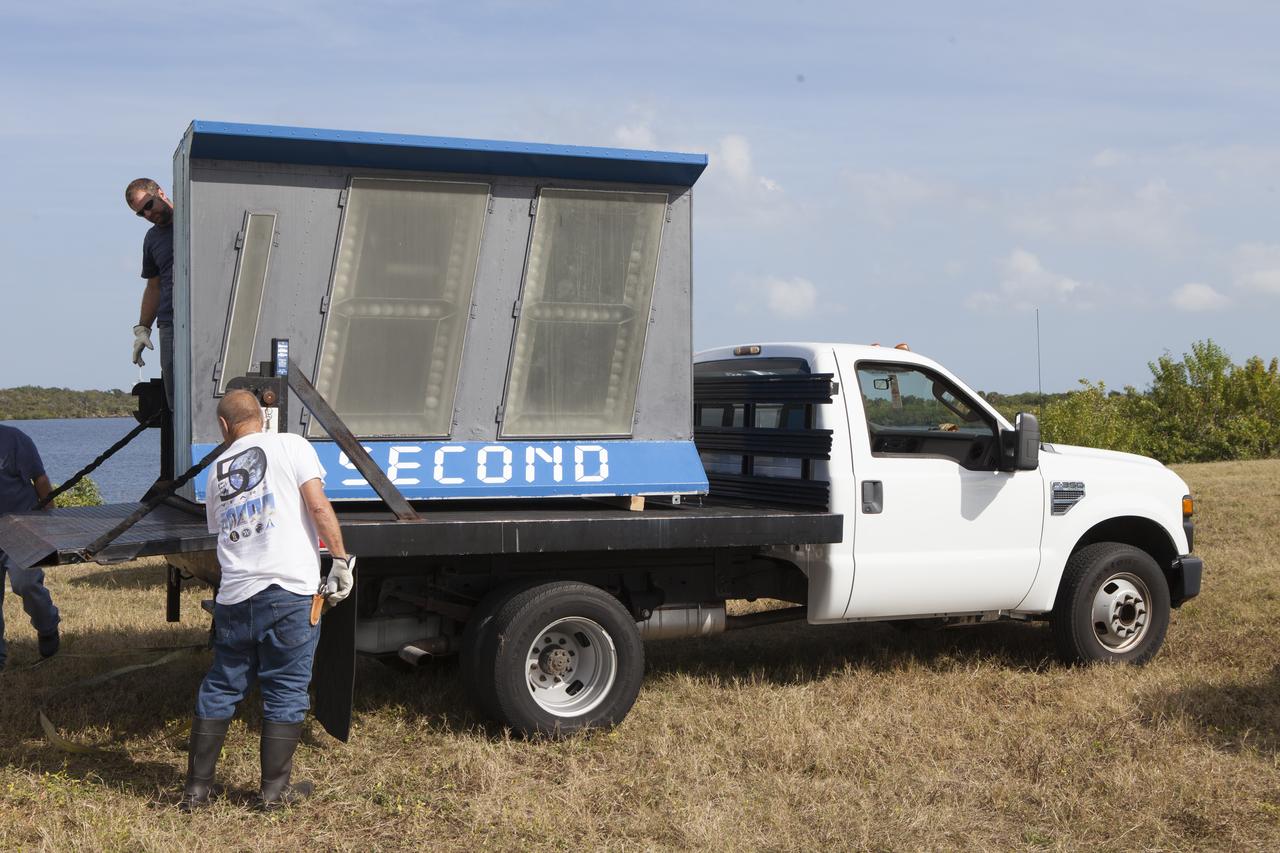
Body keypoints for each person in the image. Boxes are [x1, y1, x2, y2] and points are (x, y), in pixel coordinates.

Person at [181, 390, 355, 812]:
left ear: (224, 427)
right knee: (286, 689)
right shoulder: (292, 445)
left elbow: (220, 530)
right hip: (290, 592)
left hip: (236, 595)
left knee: (222, 685)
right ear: (262, 418)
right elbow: (317, 505)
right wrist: (340, 560)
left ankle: (195, 792)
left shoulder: (217, 470)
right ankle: (273, 795)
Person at [0, 425, 60, 670]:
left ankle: (47, 626)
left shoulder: (15, 439)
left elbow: (41, 479)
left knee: (25, 583)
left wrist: (51, 519)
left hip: (22, 526)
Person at [124, 178, 176, 411]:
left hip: (204, 317)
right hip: (170, 325)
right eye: (140, 213)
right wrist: (143, 329)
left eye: (148, 205)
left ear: (160, 193)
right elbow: (153, 286)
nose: (147, 214)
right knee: (176, 394)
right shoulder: (152, 239)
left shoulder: (195, 215)